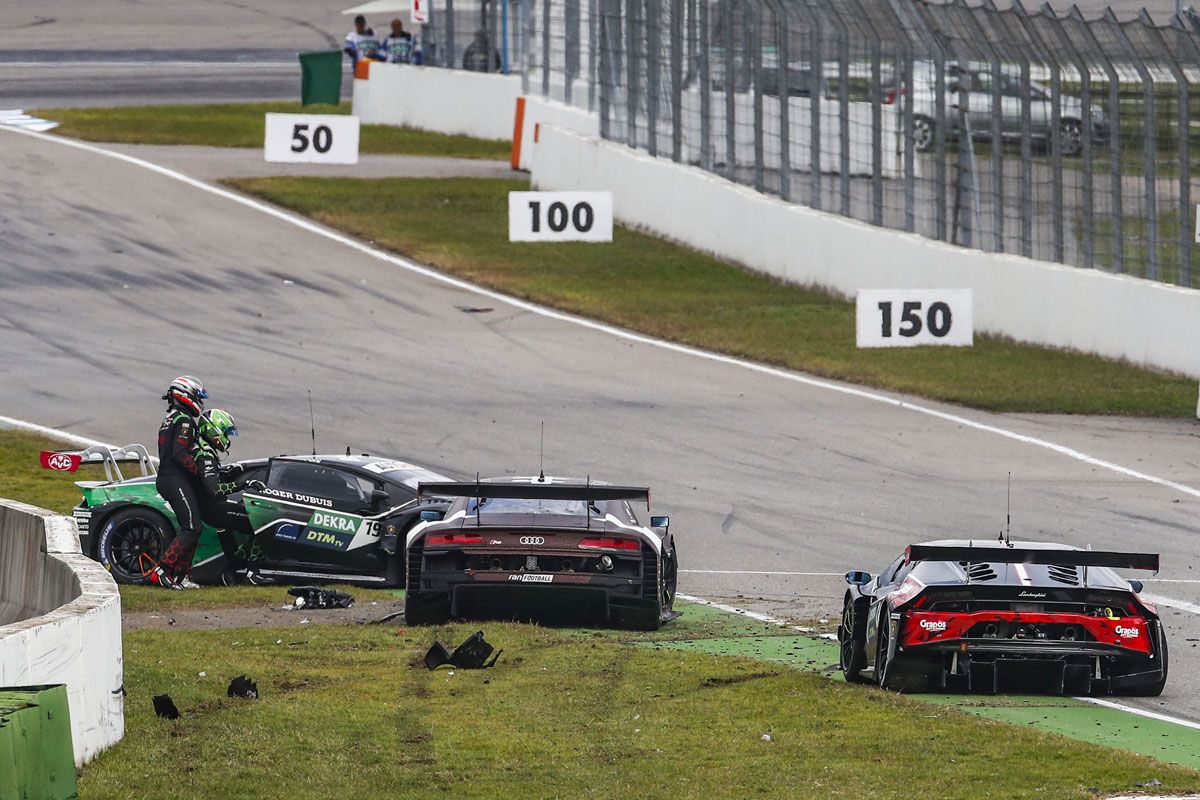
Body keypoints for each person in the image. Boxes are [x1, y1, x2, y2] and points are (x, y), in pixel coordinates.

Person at [192, 409, 274, 586]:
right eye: (226, 433)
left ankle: (233, 568)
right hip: (213, 509)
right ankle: (252, 573)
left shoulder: (205, 450)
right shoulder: (205, 456)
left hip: (213, 507)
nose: (228, 439)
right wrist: (244, 485)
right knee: (262, 523)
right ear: (214, 430)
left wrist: (227, 473)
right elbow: (214, 489)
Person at [151, 375, 208, 589]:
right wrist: (199, 471)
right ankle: (163, 571)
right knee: (192, 527)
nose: (200, 401)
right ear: (186, 395)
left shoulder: (169, 418)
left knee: (192, 527)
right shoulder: (184, 419)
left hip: (169, 478)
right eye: (198, 396)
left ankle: (182, 576)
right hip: (175, 479)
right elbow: (179, 453)